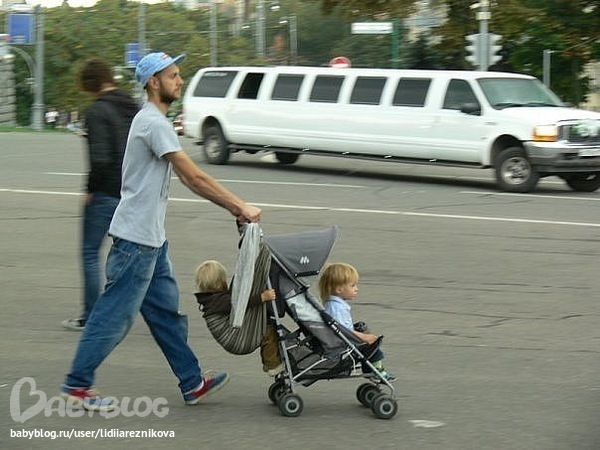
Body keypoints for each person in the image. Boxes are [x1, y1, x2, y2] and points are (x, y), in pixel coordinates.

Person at [60, 51, 262, 411]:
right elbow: (193, 176)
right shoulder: (153, 122)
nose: (179, 81)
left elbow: (187, 178)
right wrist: (239, 206)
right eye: (173, 76)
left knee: (165, 314)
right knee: (114, 316)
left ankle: (192, 381)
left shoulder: (152, 121)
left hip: (150, 240)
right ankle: (77, 385)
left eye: (179, 75)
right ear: (154, 82)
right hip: (136, 243)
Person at [62, 58, 140, 332]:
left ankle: (91, 315)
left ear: (91, 83)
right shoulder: (131, 106)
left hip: (106, 192)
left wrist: (89, 190)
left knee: (90, 253)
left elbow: (101, 158)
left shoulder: (97, 112)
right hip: (133, 191)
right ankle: (133, 312)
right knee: (135, 255)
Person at [194, 260, 283, 376]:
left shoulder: (210, 300)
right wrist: (262, 297)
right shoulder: (218, 301)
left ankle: (269, 361)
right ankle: (273, 365)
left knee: (265, 327)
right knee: (267, 332)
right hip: (235, 340)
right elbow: (241, 304)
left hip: (233, 338)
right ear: (218, 284)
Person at [318, 262, 395, 381]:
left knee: (365, 333)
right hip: (342, 345)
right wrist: (365, 337)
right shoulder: (336, 308)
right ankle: (377, 372)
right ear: (339, 289)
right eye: (353, 285)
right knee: (373, 345)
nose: (356, 289)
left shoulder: (335, 304)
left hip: (342, 340)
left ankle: (372, 370)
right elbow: (342, 331)